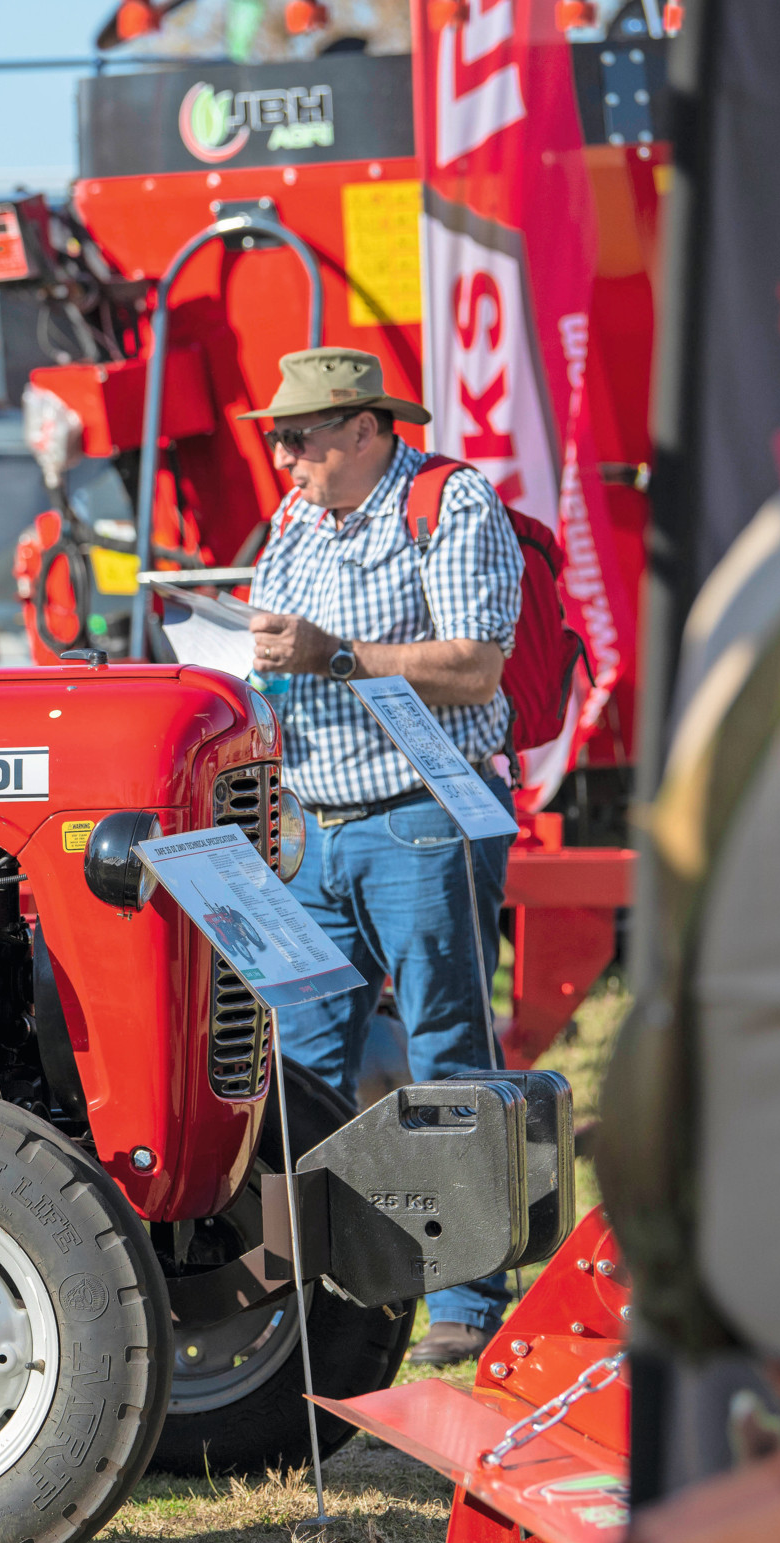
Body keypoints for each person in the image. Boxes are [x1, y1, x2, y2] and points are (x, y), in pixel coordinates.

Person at [241, 349, 524, 1367]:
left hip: (418, 817)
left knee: (445, 1053)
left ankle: (463, 1295)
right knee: (298, 1066)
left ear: (364, 428)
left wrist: (329, 653)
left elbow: (475, 665)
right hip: (314, 826)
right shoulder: (295, 521)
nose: (282, 455)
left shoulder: (449, 505)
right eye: (277, 436)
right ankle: (309, 1306)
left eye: (299, 436)